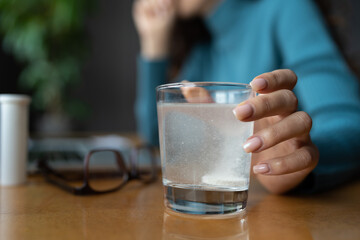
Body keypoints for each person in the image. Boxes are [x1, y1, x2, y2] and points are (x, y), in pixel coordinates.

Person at [133, 0, 360, 194]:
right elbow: (158, 138)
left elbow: (350, 124)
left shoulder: (286, 8)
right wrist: (153, 43)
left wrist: (299, 159)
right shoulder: (203, 54)